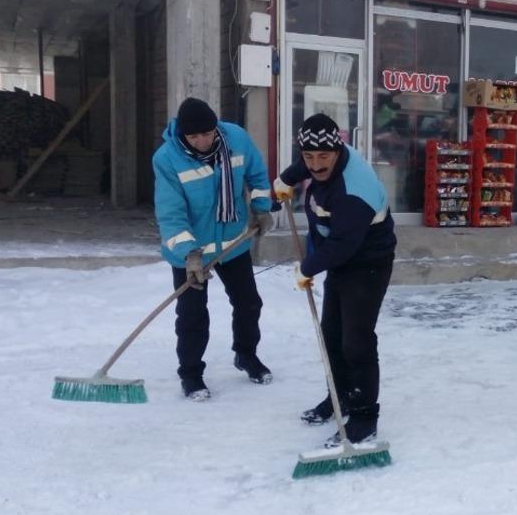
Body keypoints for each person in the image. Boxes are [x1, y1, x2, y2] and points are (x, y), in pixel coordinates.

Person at [273, 113, 397, 447]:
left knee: (356, 340)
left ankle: (364, 417)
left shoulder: (354, 191)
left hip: (368, 261)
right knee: (332, 335)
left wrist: (308, 267)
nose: (315, 165)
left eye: (323, 157)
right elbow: (306, 165)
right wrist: (287, 179)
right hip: (340, 258)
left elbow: (344, 244)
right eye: (308, 157)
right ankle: (340, 396)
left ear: (338, 150)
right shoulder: (320, 158)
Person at [152, 97, 275, 400]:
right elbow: (171, 213)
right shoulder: (167, 159)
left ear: (216, 127)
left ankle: (246, 355)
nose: (203, 141)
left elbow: (257, 175)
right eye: (194, 136)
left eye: (207, 133)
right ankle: (191, 374)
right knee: (193, 314)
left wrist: (261, 207)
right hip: (192, 252)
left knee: (249, 303)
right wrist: (189, 254)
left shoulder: (236, 139)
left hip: (232, 243)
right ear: (183, 135)